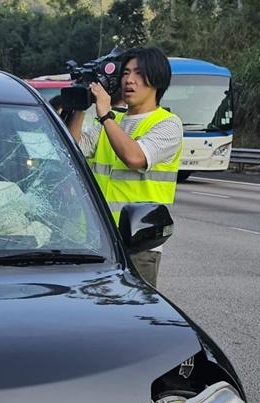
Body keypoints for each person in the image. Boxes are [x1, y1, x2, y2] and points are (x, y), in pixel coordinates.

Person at [65, 46, 183, 286]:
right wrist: (80, 104)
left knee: (132, 307)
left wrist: (105, 115)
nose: (129, 80)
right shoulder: (114, 121)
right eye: (126, 73)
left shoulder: (168, 124)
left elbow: (135, 157)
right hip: (97, 241)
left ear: (157, 79)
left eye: (139, 73)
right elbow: (71, 149)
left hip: (138, 245)